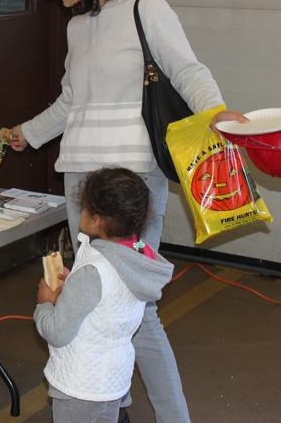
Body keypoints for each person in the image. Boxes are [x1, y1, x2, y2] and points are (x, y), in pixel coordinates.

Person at [9, 0, 248, 423]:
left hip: (135, 180)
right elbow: (71, 101)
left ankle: (172, 415)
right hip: (80, 180)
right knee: (92, 296)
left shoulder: (146, 9)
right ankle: (110, 401)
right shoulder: (77, 27)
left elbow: (188, 70)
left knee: (139, 309)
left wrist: (217, 110)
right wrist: (24, 133)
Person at [35, 167, 174, 423]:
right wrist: (73, 286)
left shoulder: (93, 271)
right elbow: (106, 304)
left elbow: (57, 331)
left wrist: (45, 304)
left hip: (80, 384)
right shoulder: (136, 258)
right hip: (114, 382)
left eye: (85, 208)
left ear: (97, 219)